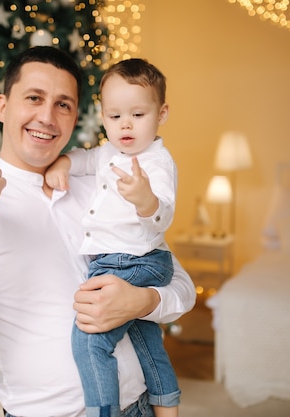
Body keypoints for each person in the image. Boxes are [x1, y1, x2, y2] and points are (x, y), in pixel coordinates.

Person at [0, 46, 196, 417]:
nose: (47, 117)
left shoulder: (105, 184)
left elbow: (182, 286)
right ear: (3, 107)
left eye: (63, 105)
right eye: (33, 98)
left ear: (76, 117)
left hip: (140, 407)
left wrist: (144, 302)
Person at [45, 58, 179, 417]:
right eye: (115, 116)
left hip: (138, 261)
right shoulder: (109, 153)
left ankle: (101, 411)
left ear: (161, 113)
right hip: (116, 261)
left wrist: (145, 200)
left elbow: (162, 214)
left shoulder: (156, 163)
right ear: (102, 116)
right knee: (144, 335)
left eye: (138, 114)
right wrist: (63, 164)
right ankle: (167, 400)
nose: (126, 125)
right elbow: (85, 159)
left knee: (89, 338)